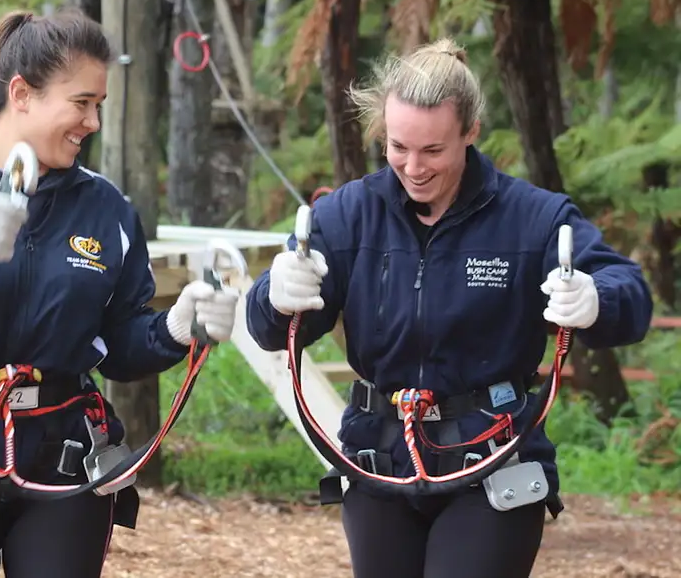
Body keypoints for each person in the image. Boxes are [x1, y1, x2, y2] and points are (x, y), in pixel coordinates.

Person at [245, 38, 653, 578]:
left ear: (470, 132)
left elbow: (632, 294)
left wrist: (597, 300)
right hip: (379, 460)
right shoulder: (349, 215)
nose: (413, 168)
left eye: (433, 151)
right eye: (397, 147)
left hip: (490, 460)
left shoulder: (532, 218)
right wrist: (275, 295)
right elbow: (271, 330)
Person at [0, 8, 240, 578]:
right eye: (81, 103)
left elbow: (121, 345)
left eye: (99, 106)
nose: (93, 122)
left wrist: (176, 328)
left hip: (65, 459)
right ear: (23, 93)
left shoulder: (106, 209)